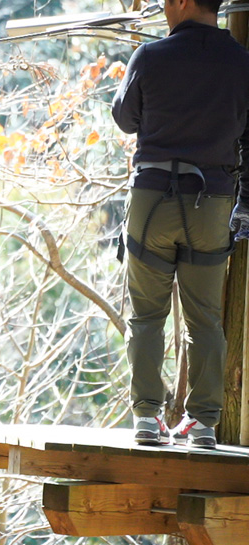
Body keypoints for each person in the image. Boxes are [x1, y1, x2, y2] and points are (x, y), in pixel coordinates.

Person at [113, 0, 249, 449]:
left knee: (147, 314)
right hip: (211, 201)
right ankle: (204, 424)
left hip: (153, 197)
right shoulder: (242, 64)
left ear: (185, 2)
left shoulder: (151, 57)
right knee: (205, 317)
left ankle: (147, 419)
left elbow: (124, 117)